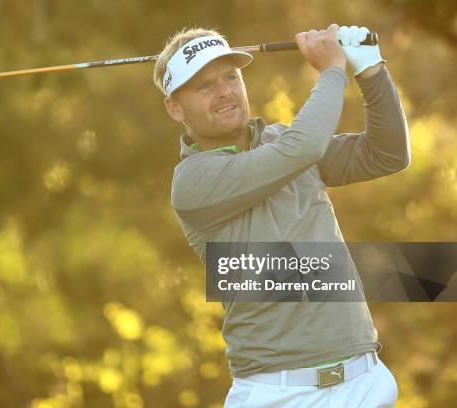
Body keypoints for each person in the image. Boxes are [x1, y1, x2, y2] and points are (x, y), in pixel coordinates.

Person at [152, 24, 410, 407]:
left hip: (364, 384)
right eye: (203, 86)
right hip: (279, 394)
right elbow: (304, 146)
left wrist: (370, 68)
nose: (224, 92)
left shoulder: (282, 142)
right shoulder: (192, 183)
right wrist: (333, 69)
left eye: (231, 76)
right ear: (175, 107)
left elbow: (387, 153)